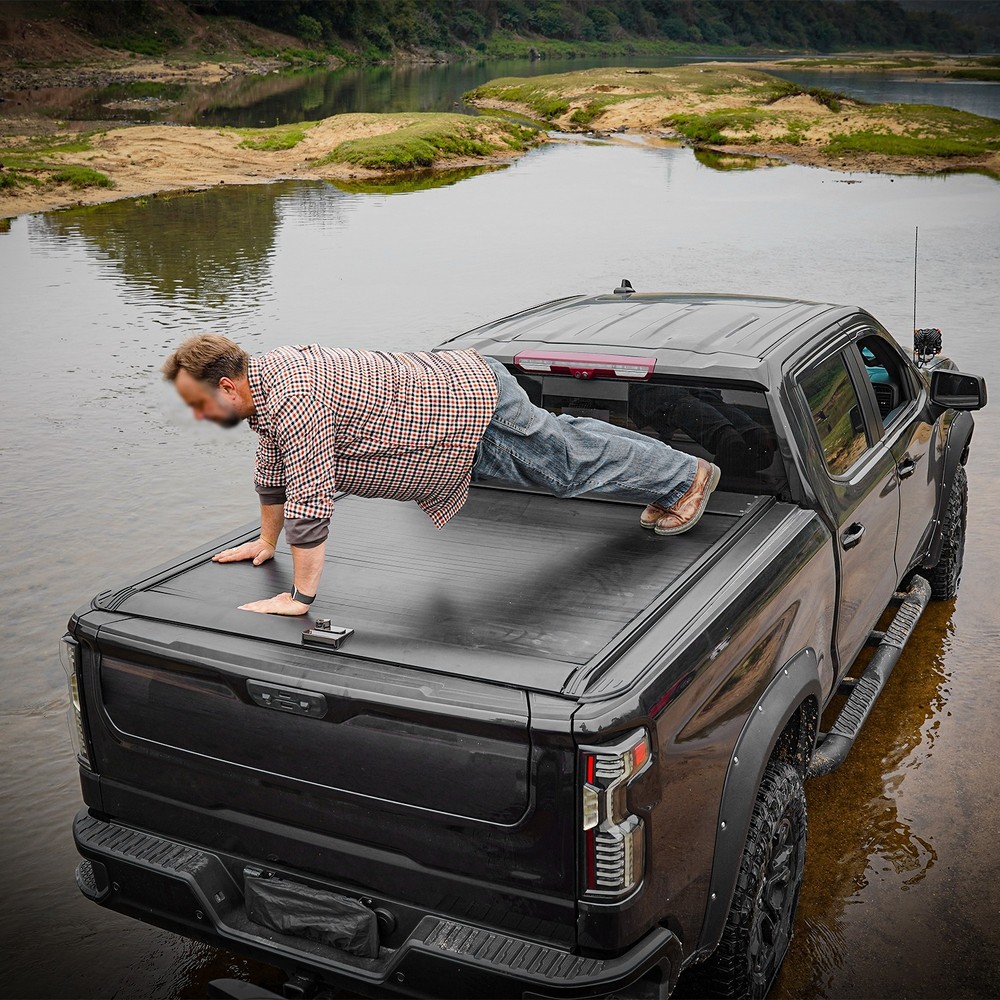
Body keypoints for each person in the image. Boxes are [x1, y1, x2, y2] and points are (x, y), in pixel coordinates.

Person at [162, 335, 721, 615]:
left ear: (228, 386)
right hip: (450, 420)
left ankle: (685, 479)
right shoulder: (266, 383)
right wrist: (265, 543)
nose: (198, 415)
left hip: (469, 409)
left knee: (568, 468)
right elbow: (274, 472)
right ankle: (677, 473)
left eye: (198, 403)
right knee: (567, 443)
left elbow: (310, 500)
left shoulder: (292, 397)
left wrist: (300, 598)